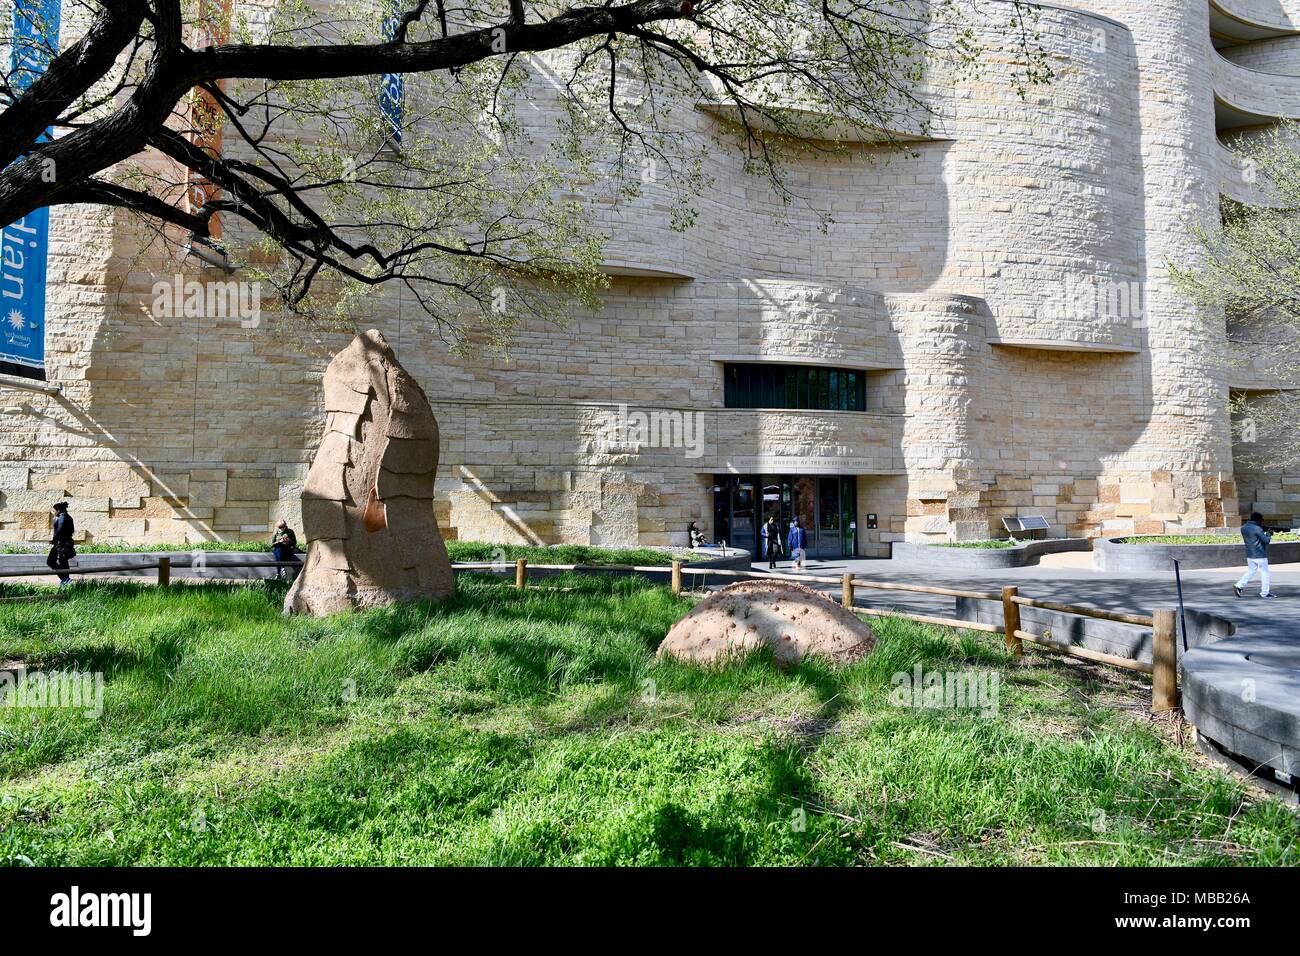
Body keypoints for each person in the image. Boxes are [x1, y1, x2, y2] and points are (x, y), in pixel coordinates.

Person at [1235, 512, 1276, 599]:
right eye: (1261, 520)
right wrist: (1269, 534)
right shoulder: (1258, 528)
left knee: (1251, 571)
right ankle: (1265, 593)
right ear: (1258, 520)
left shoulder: (1244, 527)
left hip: (1250, 554)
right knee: (1265, 573)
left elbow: (1254, 536)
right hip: (1260, 554)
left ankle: (1239, 585)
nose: (1262, 521)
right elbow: (1266, 541)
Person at [46, 501, 76, 587]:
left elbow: (60, 529)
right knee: (63, 561)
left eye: (54, 510)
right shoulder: (67, 517)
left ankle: (65, 579)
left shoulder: (63, 517)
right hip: (65, 543)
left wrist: (54, 539)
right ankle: (65, 580)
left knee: (51, 561)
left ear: (58, 510)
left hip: (61, 543)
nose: (54, 512)